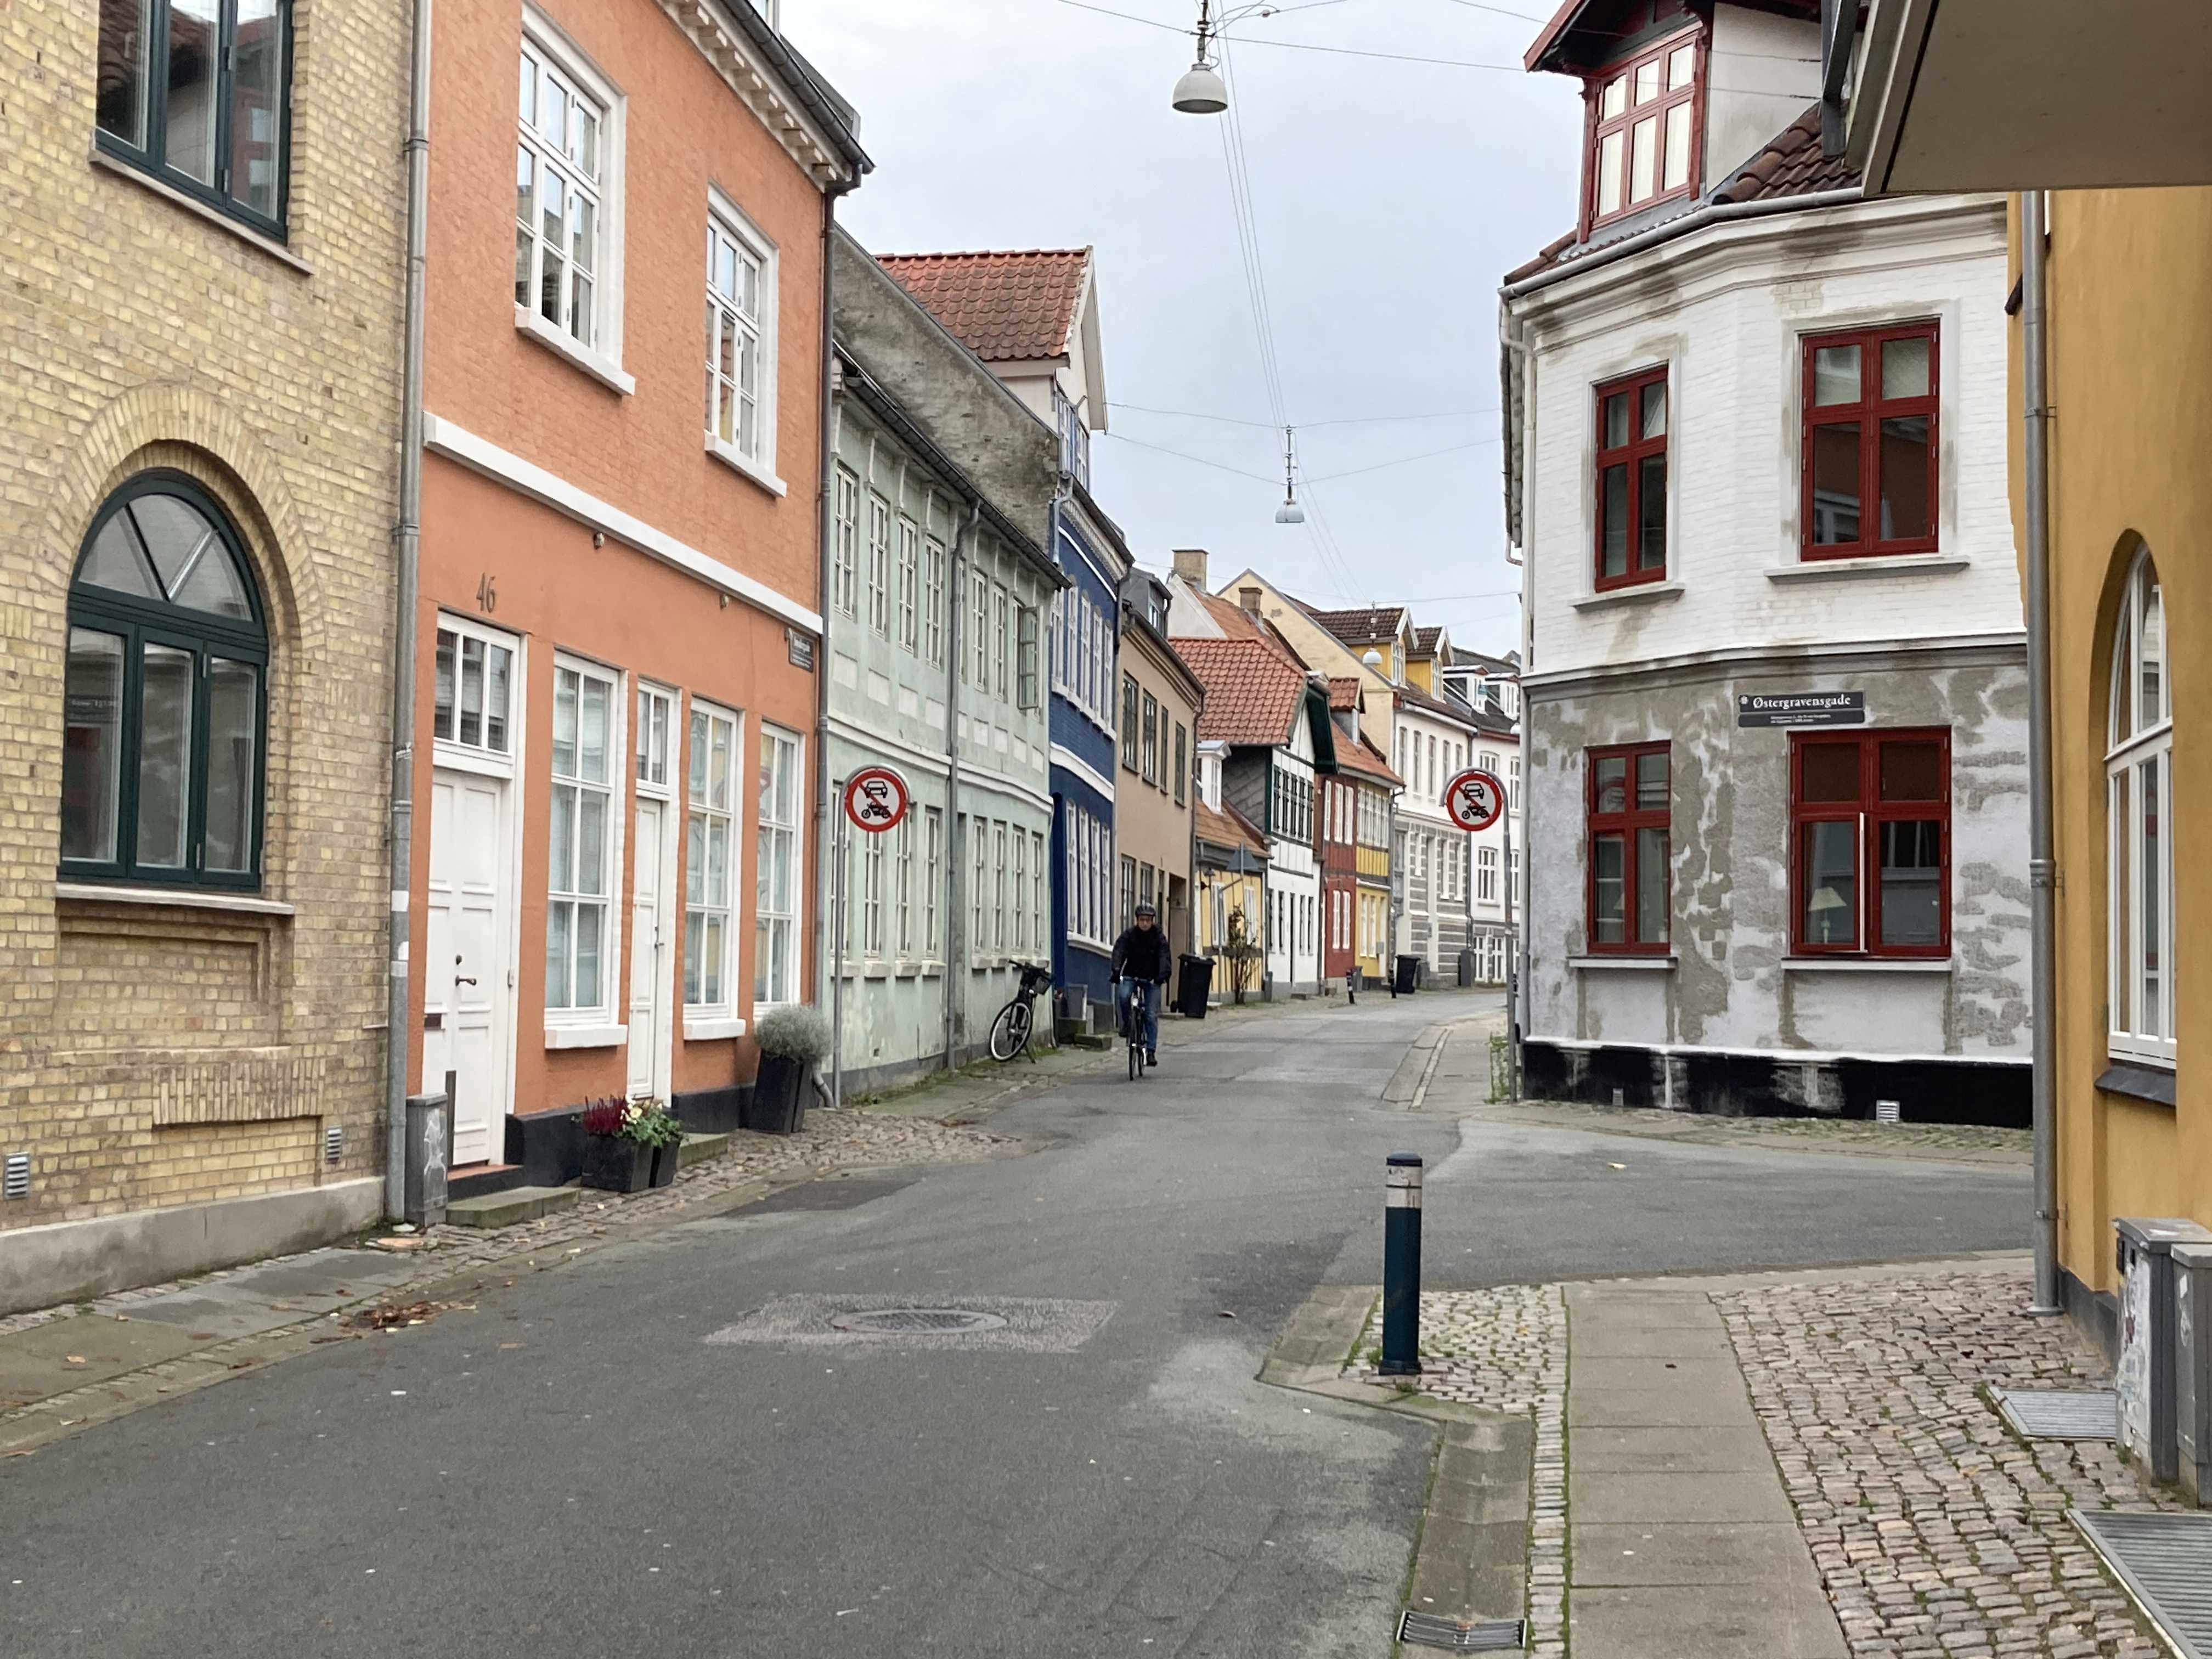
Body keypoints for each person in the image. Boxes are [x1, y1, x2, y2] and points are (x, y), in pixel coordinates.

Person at [1109, 901, 1173, 1066]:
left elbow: (1164, 957)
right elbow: (1119, 951)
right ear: (1137, 920)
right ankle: (1127, 1024)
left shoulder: (1159, 937)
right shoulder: (1129, 935)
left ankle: (1151, 1051)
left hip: (1152, 978)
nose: (1145, 923)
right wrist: (1117, 969)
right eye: (1142, 920)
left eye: (1148, 920)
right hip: (1131, 974)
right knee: (1124, 996)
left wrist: (1162, 975)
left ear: (1153, 921)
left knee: (1151, 1015)